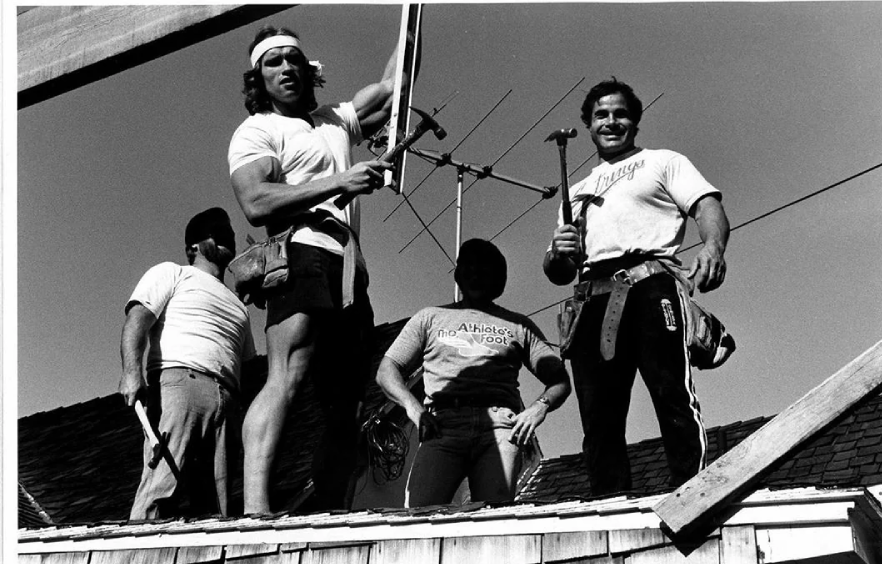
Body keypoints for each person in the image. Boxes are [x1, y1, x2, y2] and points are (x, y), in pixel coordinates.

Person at [228, 25, 414, 513]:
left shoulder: (334, 120)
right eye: (273, 62)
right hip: (301, 250)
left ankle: (333, 508)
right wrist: (339, 182)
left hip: (349, 264)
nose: (286, 67)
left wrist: (412, 19)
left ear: (308, 70)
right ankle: (255, 510)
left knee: (348, 396)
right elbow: (255, 201)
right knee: (287, 374)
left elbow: (394, 88)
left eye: (293, 58)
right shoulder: (257, 130)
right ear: (258, 78)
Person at [543, 78, 731, 496]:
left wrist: (712, 247)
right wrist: (558, 252)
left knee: (670, 391)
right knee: (598, 417)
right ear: (589, 125)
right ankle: (609, 503)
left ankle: (693, 495)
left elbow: (707, 207)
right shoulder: (576, 192)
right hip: (592, 299)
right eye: (601, 115)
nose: (611, 122)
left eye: (620, 114)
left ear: (635, 122)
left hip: (650, 286)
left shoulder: (662, 162)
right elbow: (558, 271)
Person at [377, 239, 571, 506]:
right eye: (470, 267)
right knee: (419, 515)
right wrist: (414, 408)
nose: (476, 275)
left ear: (498, 279)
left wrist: (539, 407)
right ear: (459, 274)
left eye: (485, 269)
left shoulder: (519, 325)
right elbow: (387, 370)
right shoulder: (430, 317)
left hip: (500, 427)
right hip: (443, 425)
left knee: (493, 516)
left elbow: (559, 380)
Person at [119, 207, 256, 519]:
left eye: (229, 232)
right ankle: (141, 540)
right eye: (216, 232)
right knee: (161, 485)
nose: (226, 236)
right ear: (192, 247)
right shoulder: (172, 273)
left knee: (217, 507)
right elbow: (137, 320)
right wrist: (131, 372)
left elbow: (248, 367)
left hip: (228, 400)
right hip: (180, 385)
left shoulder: (240, 307)